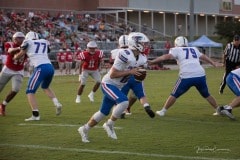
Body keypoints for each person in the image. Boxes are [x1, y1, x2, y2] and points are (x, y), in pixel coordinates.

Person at [77, 32, 150, 143]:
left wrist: (140, 74)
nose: (145, 45)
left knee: (103, 112)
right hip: (108, 84)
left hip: (119, 86)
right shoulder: (124, 54)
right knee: (124, 102)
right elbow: (113, 74)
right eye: (142, 43)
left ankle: (84, 129)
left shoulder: (141, 58)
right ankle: (109, 124)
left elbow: (137, 72)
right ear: (135, 43)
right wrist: (130, 71)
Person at [148, 36, 221, 117]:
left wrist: (152, 62)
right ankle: (218, 109)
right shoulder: (194, 49)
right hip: (200, 75)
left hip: (187, 76)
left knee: (174, 94)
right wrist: (213, 63)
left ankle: (163, 111)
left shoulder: (176, 49)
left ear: (176, 44)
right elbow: (203, 56)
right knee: (206, 94)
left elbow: (165, 57)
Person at [13, 31, 62, 121]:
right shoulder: (43, 41)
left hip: (40, 67)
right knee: (45, 87)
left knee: (30, 91)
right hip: (50, 67)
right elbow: (47, 50)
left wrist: (15, 57)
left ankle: (35, 115)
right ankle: (57, 103)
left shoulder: (28, 42)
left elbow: (21, 53)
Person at [111, 34, 155, 118]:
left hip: (124, 77)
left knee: (120, 96)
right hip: (130, 76)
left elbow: (113, 65)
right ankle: (145, 106)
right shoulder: (137, 55)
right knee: (139, 94)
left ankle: (120, 110)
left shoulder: (118, 52)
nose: (144, 45)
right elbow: (141, 66)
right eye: (142, 43)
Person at [0, 32, 26, 116]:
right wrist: (20, 48)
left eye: (23, 38)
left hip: (18, 70)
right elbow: (10, 51)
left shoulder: (27, 46)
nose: (22, 39)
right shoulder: (9, 44)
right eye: (20, 38)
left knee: (16, 89)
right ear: (14, 39)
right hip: (7, 69)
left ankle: (3, 104)